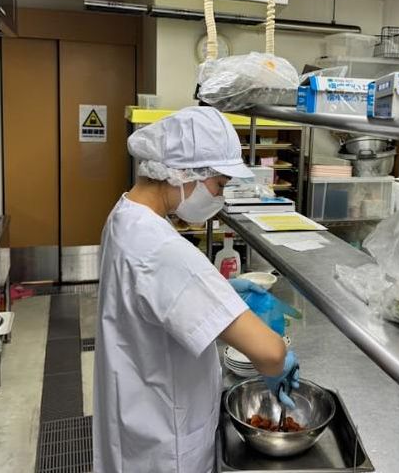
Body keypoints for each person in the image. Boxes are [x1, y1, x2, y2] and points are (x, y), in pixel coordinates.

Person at [93, 106, 299, 473]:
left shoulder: (125, 215)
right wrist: (281, 360)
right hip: (166, 442)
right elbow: (268, 353)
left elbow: (156, 298)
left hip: (138, 416)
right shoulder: (162, 248)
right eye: (219, 185)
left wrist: (219, 293)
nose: (219, 198)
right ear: (184, 172)